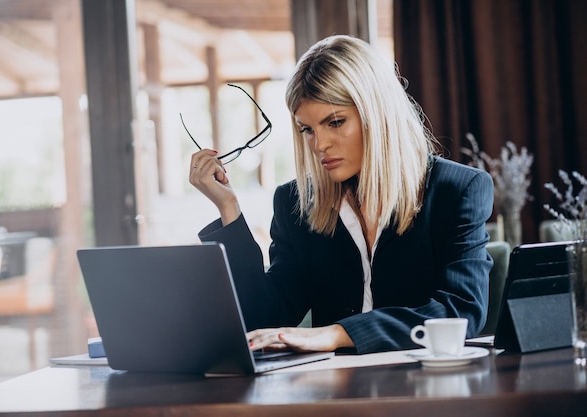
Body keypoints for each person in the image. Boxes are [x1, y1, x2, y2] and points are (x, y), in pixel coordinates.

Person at [189, 35, 493, 354]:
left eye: (334, 123)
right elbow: (263, 318)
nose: (319, 145)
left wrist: (339, 334)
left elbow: (461, 310)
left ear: (376, 114)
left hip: (422, 386)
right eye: (307, 129)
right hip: (333, 392)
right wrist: (229, 209)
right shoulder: (296, 205)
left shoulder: (455, 190)